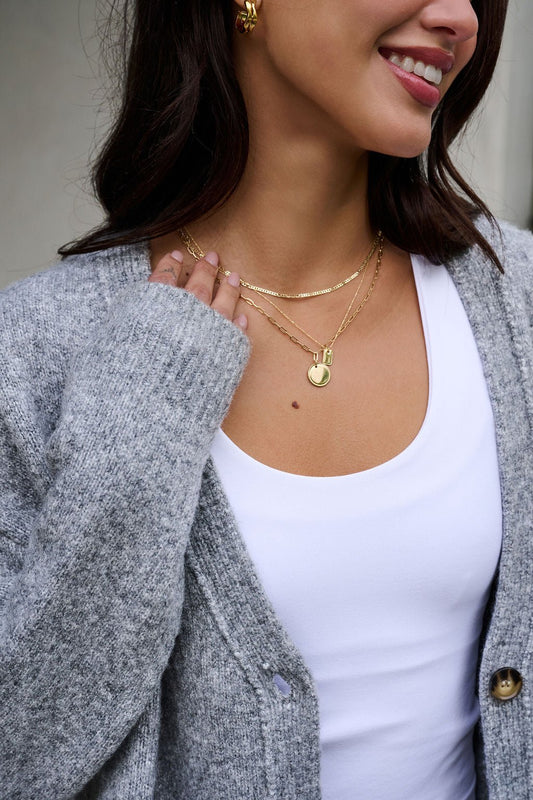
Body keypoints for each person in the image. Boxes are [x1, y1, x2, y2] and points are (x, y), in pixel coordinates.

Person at [0, 0, 531, 798]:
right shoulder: (37, 347)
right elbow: (25, 755)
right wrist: (144, 421)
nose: (459, 17)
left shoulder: (517, 300)